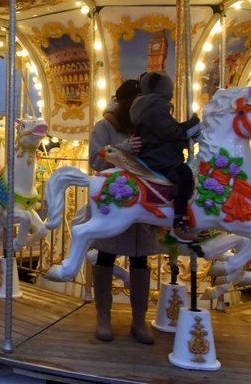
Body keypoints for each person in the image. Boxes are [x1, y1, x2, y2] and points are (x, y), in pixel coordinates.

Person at [88, 79, 159, 345]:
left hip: (141, 202)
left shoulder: (145, 126)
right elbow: (95, 160)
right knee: (106, 255)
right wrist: (122, 150)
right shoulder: (105, 126)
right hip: (115, 202)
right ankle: (103, 316)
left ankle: (139, 319)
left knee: (140, 259)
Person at [130, 71, 201, 243]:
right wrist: (191, 125)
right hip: (159, 157)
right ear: (163, 89)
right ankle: (179, 223)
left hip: (157, 153)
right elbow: (171, 132)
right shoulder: (154, 107)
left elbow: (165, 132)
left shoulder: (149, 106)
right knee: (184, 175)